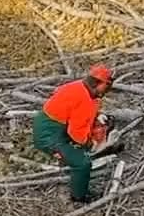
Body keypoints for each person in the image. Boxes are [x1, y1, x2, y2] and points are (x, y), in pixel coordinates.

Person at [33, 64, 115, 204]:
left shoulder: (83, 89)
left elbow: (82, 112)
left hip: (55, 124)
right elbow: (76, 133)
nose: (107, 89)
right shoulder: (83, 99)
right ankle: (79, 196)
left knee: (84, 140)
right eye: (106, 85)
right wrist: (90, 143)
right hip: (48, 134)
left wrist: (97, 117)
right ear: (98, 83)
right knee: (82, 163)